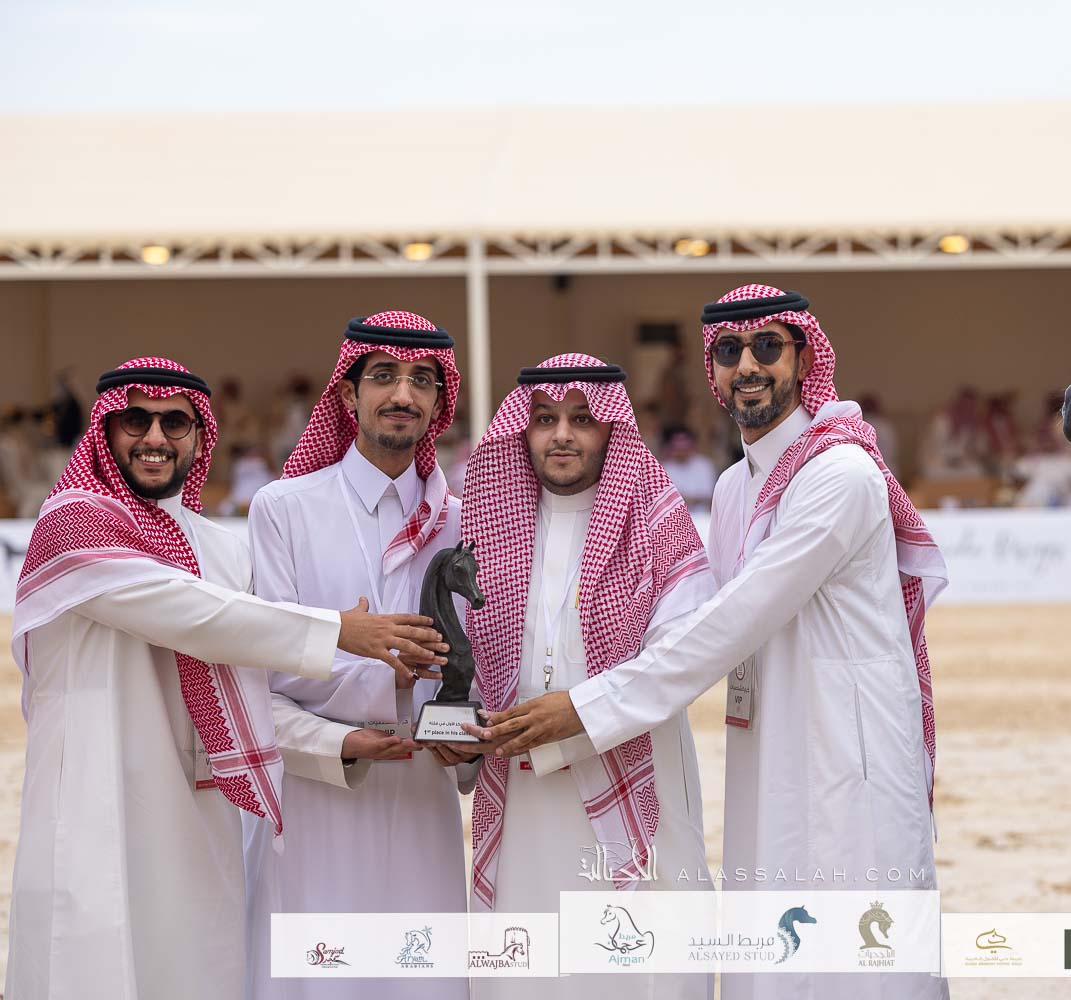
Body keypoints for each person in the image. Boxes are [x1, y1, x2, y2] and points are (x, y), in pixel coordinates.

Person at [481, 286, 949, 1000]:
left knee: (860, 950)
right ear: (713, 369)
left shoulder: (841, 476)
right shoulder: (735, 487)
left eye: (768, 347)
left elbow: (732, 620)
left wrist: (586, 707)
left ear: (804, 359)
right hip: (768, 746)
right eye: (729, 351)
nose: (748, 367)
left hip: (849, 753)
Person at [5, 358, 442, 1000]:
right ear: (106, 429)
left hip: (198, 809)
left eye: (174, 422)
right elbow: (192, 614)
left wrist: (338, 741)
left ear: (199, 435)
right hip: (96, 802)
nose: (156, 438)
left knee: (195, 967)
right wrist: (336, 631)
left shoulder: (222, 550)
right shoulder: (73, 523)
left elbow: (255, 683)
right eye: (136, 420)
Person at [455, 354, 716, 1000]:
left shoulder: (658, 526)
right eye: (545, 419)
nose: (562, 435)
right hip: (524, 798)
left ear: (611, 429)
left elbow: (679, 661)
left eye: (581, 419)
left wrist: (579, 713)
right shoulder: (488, 533)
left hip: (636, 776)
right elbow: (473, 666)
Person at [243, 311, 471, 1000]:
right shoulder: (284, 508)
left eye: (422, 380)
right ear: (348, 394)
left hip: (424, 796)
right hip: (318, 796)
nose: (403, 393)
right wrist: (364, 665)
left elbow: (478, 672)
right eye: (384, 377)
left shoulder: (461, 520)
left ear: (438, 401)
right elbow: (261, 671)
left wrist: (465, 740)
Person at [660, 423, 718, 513]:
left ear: (692, 445)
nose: (681, 451)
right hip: (674, 516)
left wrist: (686, 499)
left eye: (684, 446)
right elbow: (663, 499)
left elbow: (710, 496)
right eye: (678, 447)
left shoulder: (704, 465)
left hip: (702, 516)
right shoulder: (664, 469)